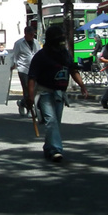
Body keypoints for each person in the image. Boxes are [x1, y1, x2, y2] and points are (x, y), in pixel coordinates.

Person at [26, 25, 89, 162]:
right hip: (45, 93)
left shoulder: (64, 53)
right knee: (51, 121)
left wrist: (82, 85)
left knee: (55, 122)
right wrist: (30, 96)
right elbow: (32, 78)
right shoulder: (41, 56)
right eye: (58, 38)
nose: (62, 41)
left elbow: (73, 70)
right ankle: (55, 149)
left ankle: (48, 147)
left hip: (60, 93)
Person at [9, 26, 40, 117]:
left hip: (35, 69)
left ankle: (22, 103)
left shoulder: (36, 42)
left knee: (35, 90)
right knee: (27, 89)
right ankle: (30, 110)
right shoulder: (19, 43)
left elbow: (38, 53)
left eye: (33, 34)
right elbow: (14, 55)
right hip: (23, 69)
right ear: (25, 34)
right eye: (30, 34)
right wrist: (13, 64)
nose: (32, 36)